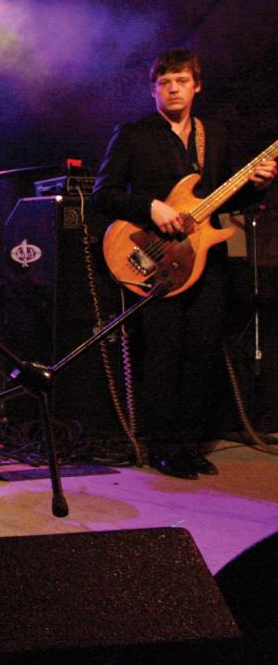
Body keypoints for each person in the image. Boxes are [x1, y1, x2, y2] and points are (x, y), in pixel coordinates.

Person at [93, 49, 275, 479]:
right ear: (154, 89)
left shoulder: (216, 135)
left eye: (181, 81)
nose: (173, 88)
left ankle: (190, 443)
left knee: (201, 354)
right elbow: (104, 193)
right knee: (163, 353)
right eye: (164, 82)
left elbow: (224, 199)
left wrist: (258, 187)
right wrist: (151, 206)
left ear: (197, 86)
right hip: (153, 256)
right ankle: (163, 445)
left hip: (203, 261)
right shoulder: (133, 134)